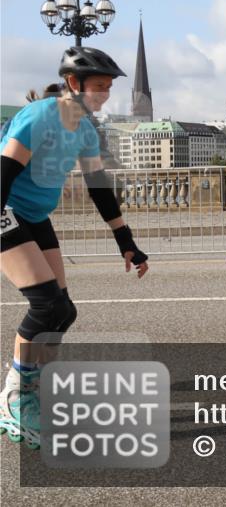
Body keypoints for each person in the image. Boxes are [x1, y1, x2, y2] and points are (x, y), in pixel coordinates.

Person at [0, 47, 150, 448]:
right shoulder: (39, 117)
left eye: (107, 88)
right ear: (73, 83)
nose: (104, 95)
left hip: (34, 215)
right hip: (6, 207)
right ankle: (14, 397)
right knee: (45, 305)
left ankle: (31, 392)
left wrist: (127, 241)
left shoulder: (84, 129)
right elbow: (4, 174)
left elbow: (99, 189)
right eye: (99, 87)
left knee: (63, 311)